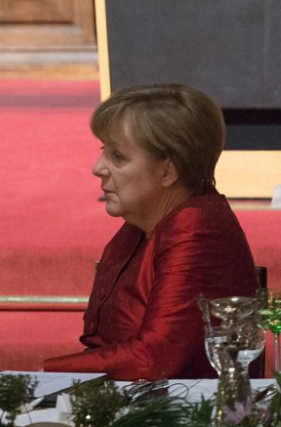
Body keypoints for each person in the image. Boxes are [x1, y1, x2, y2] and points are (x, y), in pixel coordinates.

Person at [43, 83, 258, 381]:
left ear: (167, 171)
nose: (97, 168)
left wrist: (39, 375)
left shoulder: (197, 227)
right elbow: (101, 343)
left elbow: (153, 359)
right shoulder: (138, 226)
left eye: (118, 156)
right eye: (103, 151)